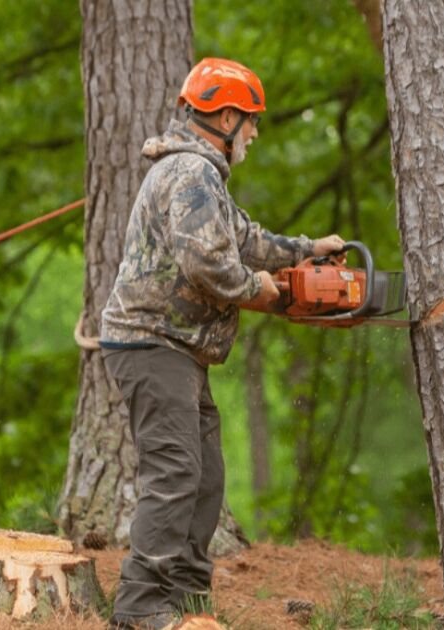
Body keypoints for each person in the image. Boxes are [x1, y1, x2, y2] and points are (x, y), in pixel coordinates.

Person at [99, 58, 346, 629]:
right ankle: (140, 608)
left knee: (205, 475)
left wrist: (306, 252)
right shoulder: (190, 173)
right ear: (227, 116)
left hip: (176, 348)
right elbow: (211, 267)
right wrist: (275, 295)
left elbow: (244, 239)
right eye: (252, 122)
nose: (255, 134)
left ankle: (186, 599)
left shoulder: (202, 173)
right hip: (152, 344)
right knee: (175, 473)